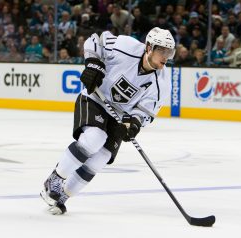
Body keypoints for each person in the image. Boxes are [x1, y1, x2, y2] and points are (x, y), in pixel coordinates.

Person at [40, 27, 176, 215]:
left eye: (170, 52)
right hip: (95, 98)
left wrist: (133, 124)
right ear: (149, 47)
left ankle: (62, 196)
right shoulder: (126, 46)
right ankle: (54, 180)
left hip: (118, 115)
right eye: (162, 51)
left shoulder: (163, 82)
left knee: (101, 158)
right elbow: (96, 40)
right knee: (94, 138)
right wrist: (93, 63)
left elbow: (146, 111)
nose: (166, 56)